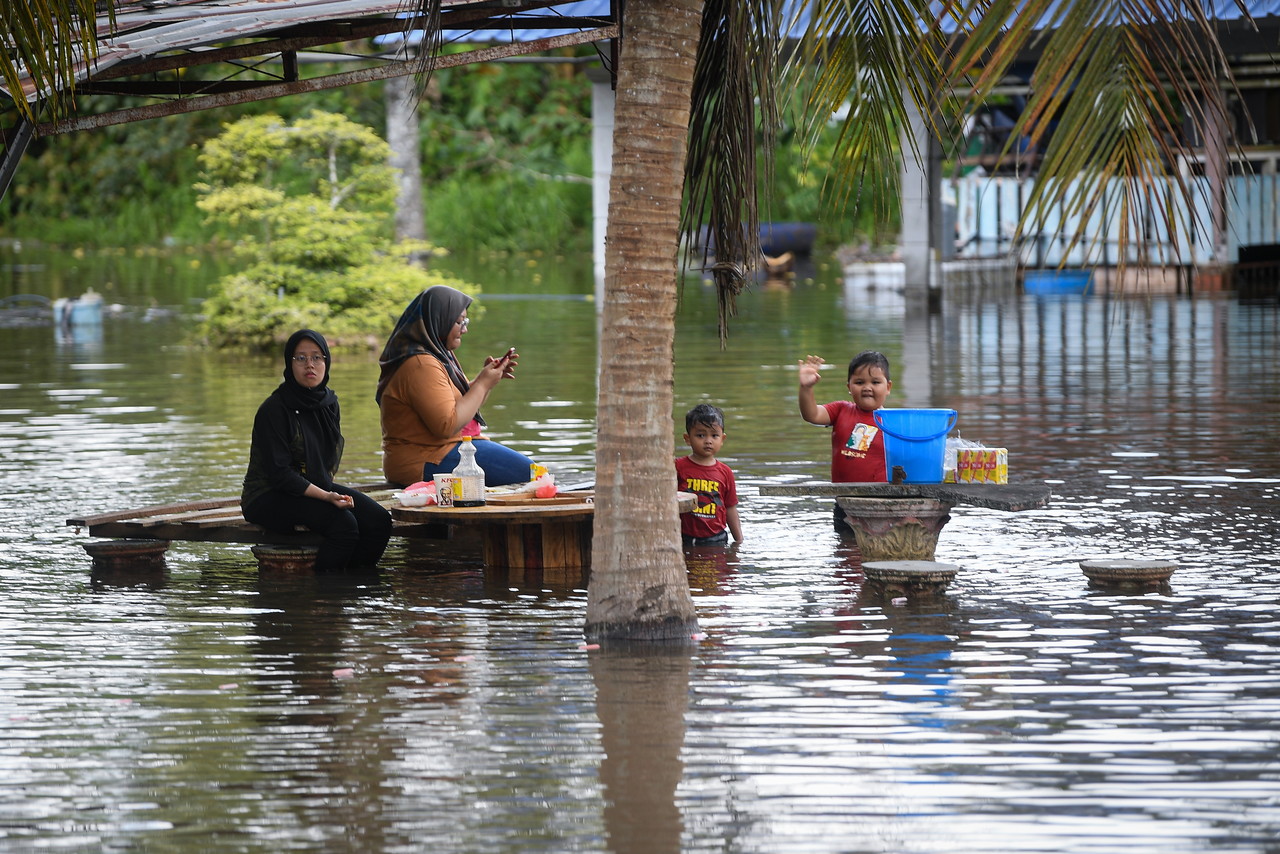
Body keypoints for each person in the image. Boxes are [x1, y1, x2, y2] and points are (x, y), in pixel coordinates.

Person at [241, 329, 393, 573]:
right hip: (267, 495)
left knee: (379, 520)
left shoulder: (328, 403)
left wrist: (327, 493)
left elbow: (324, 463)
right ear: (289, 363)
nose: (309, 365)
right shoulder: (274, 409)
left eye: (317, 357)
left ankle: (357, 581)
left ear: (326, 362)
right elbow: (280, 475)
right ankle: (325, 589)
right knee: (344, 525)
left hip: (313, 487)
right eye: (300, 358)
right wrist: (326, 496)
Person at [376, 285, 533, 487]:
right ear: (438, 320)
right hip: (424, 459)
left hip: (446, 449)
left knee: (534, 475)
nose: (464, 329)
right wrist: (482, 384)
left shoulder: (437, 354)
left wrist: (485, 382)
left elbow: (459, 407)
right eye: (459, 322)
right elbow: (447, 425)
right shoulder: (421, 364)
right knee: (531, 475)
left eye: (465, 322)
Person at [798, 350, 893, 529]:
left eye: (875, 382)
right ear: (849, 387)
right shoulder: (840, 410)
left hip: (884, 504)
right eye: (859, 382)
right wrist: (806, 388)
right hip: (845, 503)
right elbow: (812, 415)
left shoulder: (895, 422)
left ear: (888, 387)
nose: (867, 387)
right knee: (846, 544)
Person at [675, 404, 743, 547]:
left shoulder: (725, 472)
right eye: (700, 435)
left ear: (722, 439)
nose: (708, 441)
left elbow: (730, 507)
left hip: (716, 539)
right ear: (687, 438)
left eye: (714, 435)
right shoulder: (678, 467)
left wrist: (739, 541)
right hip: (683, 537)